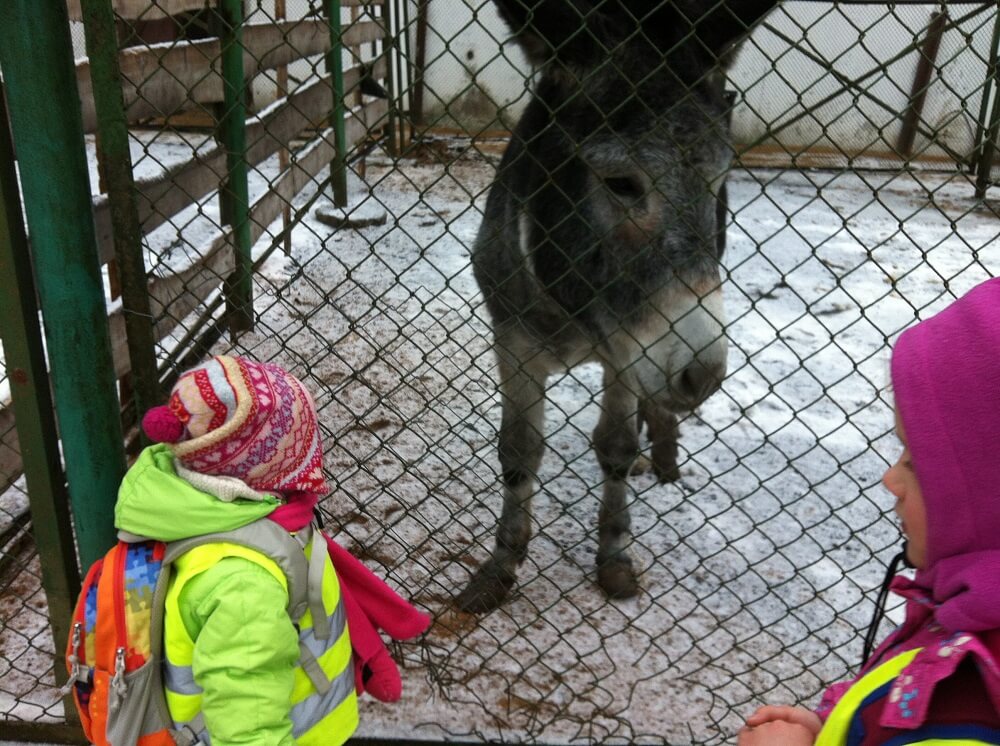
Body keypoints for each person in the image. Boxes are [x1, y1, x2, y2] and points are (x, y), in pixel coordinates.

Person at [738, 277, 1000, 745]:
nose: (890, 480)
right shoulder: (967, 617)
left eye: (914, 463)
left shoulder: (965, 708)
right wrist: (838, 730)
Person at [121, 354, 429, 746]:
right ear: (263, 467)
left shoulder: (213, 510)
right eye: (300, 447)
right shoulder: (244, 584)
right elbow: (247, 727)